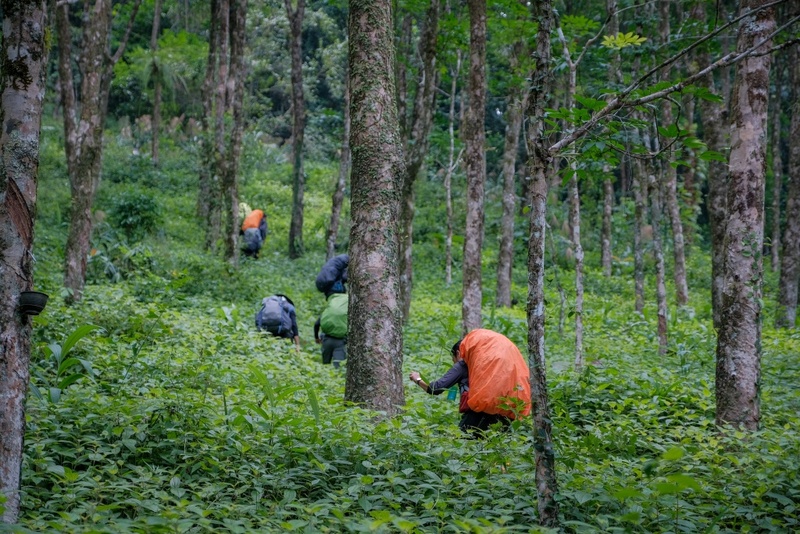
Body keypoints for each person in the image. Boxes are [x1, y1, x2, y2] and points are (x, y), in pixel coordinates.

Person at [409, 329, 531, 436]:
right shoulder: (490, 366)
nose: (455, 364)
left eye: (454, 360)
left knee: (465, 448)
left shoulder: (462, 365)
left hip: (477, 415)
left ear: (458, 353)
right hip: (506, 415)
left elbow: (435, 389)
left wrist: (417, 379)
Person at [313, 292, 348, 368]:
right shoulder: (345, 312)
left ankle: (325, 378)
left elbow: (316, 324)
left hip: (326, 339)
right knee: (338, 366)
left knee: (325, 365)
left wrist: (316, 338)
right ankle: (336, 379)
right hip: (340, 341)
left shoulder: (328, 312)